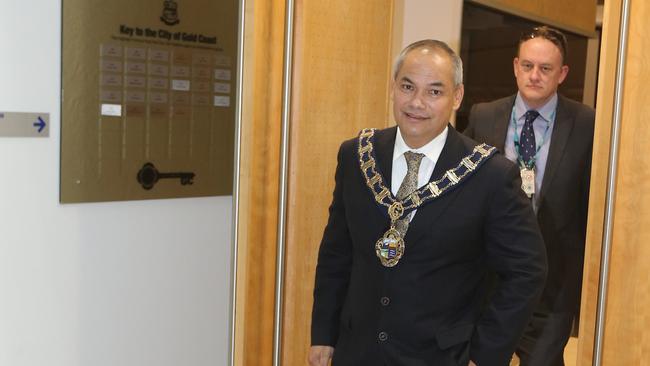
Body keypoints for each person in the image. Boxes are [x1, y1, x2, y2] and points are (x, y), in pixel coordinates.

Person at [310, 39, 547, 366]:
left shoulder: (490, 175)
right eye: (407, 86)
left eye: (434, 92)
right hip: (356, 350)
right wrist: (323, 333)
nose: (417, 102)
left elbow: (526, 271)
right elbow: (337, 251)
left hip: (442, 355)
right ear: (393, 87)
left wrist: (486, 353)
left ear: (457, 97)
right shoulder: (356, 156)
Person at [464, 26, 595, 366]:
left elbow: (593, 206)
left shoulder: (588, 124)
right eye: (527, 65)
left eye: (545, 68)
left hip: (553, 286)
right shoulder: (483, 115)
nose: (534, 75)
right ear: (515, 66)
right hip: (490, 279)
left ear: (562, 73)